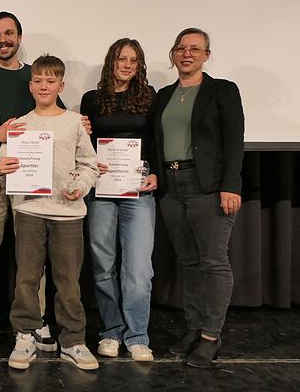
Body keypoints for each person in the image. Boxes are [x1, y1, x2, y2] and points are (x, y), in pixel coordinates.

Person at [0, 55, 99, 371]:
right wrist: (2, 169)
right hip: (29, 210)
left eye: (50, 81)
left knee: (68, 281)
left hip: (68, 212)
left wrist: (80, 186)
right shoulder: (20, 125)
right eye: (38, 80)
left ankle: (72, 341)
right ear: (30, 86)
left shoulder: (74, 122)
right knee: (27, 277)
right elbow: (4, 165)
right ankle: (25, 335)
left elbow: (89, 164)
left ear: (61, 85)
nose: (44, 86)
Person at [152, 28, 244, 368]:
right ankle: (192, 327)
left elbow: (235, 139)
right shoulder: (162, 95)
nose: (187, 53)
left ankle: (210, 336)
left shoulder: (222, 91)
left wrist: (230, 185)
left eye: (195, 48)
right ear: (173, 54)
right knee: (188, 262)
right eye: (181, 48)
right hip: (171, 186)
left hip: (207, 184)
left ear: (206, 55)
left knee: (214, 262)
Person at [80, 38, 158, 361]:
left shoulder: (150, 98)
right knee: (102, 264)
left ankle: (137, 334)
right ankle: (111, 331)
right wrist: (82, 131)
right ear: (111, 61)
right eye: (121, 59)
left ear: (139, 65)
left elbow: (156, 141)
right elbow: (85, 146)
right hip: (101, 190)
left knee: (139, 269)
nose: (126, 65)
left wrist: (157, 176)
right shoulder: (92, 99)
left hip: (138, 190)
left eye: (133, 60)